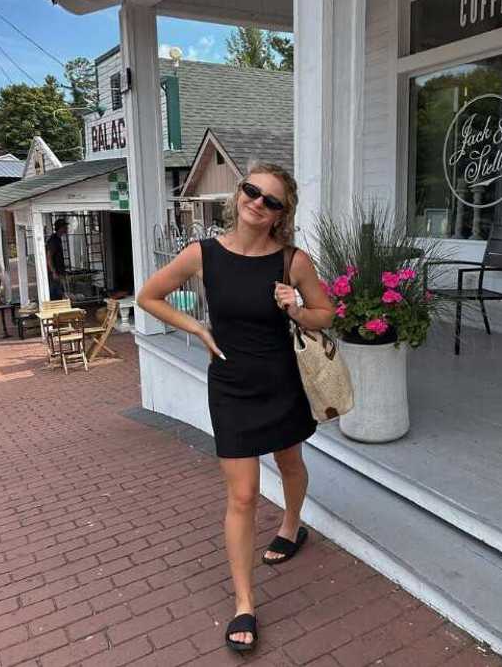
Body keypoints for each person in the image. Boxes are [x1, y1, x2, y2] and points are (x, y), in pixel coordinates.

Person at [137, 162, 333, 653]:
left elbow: (325, 314)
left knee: (290, 461)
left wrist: (294, 306)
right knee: (242, 496)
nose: (257, 203)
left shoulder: (293, 261)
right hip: (231, 387)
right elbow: (149, 296)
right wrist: (198, 329)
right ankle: (244, 604)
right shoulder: (201, 254)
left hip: (281, 381)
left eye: (271, 201)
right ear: (238, 194)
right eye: (252, 191)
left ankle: (291, 525)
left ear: (280, 215)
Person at [45, 218, 68, 300]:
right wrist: (53, 271)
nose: (66, 228)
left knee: (60, 293)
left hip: (58, 271)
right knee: (56, 294)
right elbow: (49, 257)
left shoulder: (57, 239)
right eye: (65, 227)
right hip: (54, 273)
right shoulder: (53, 240)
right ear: (61, 228)